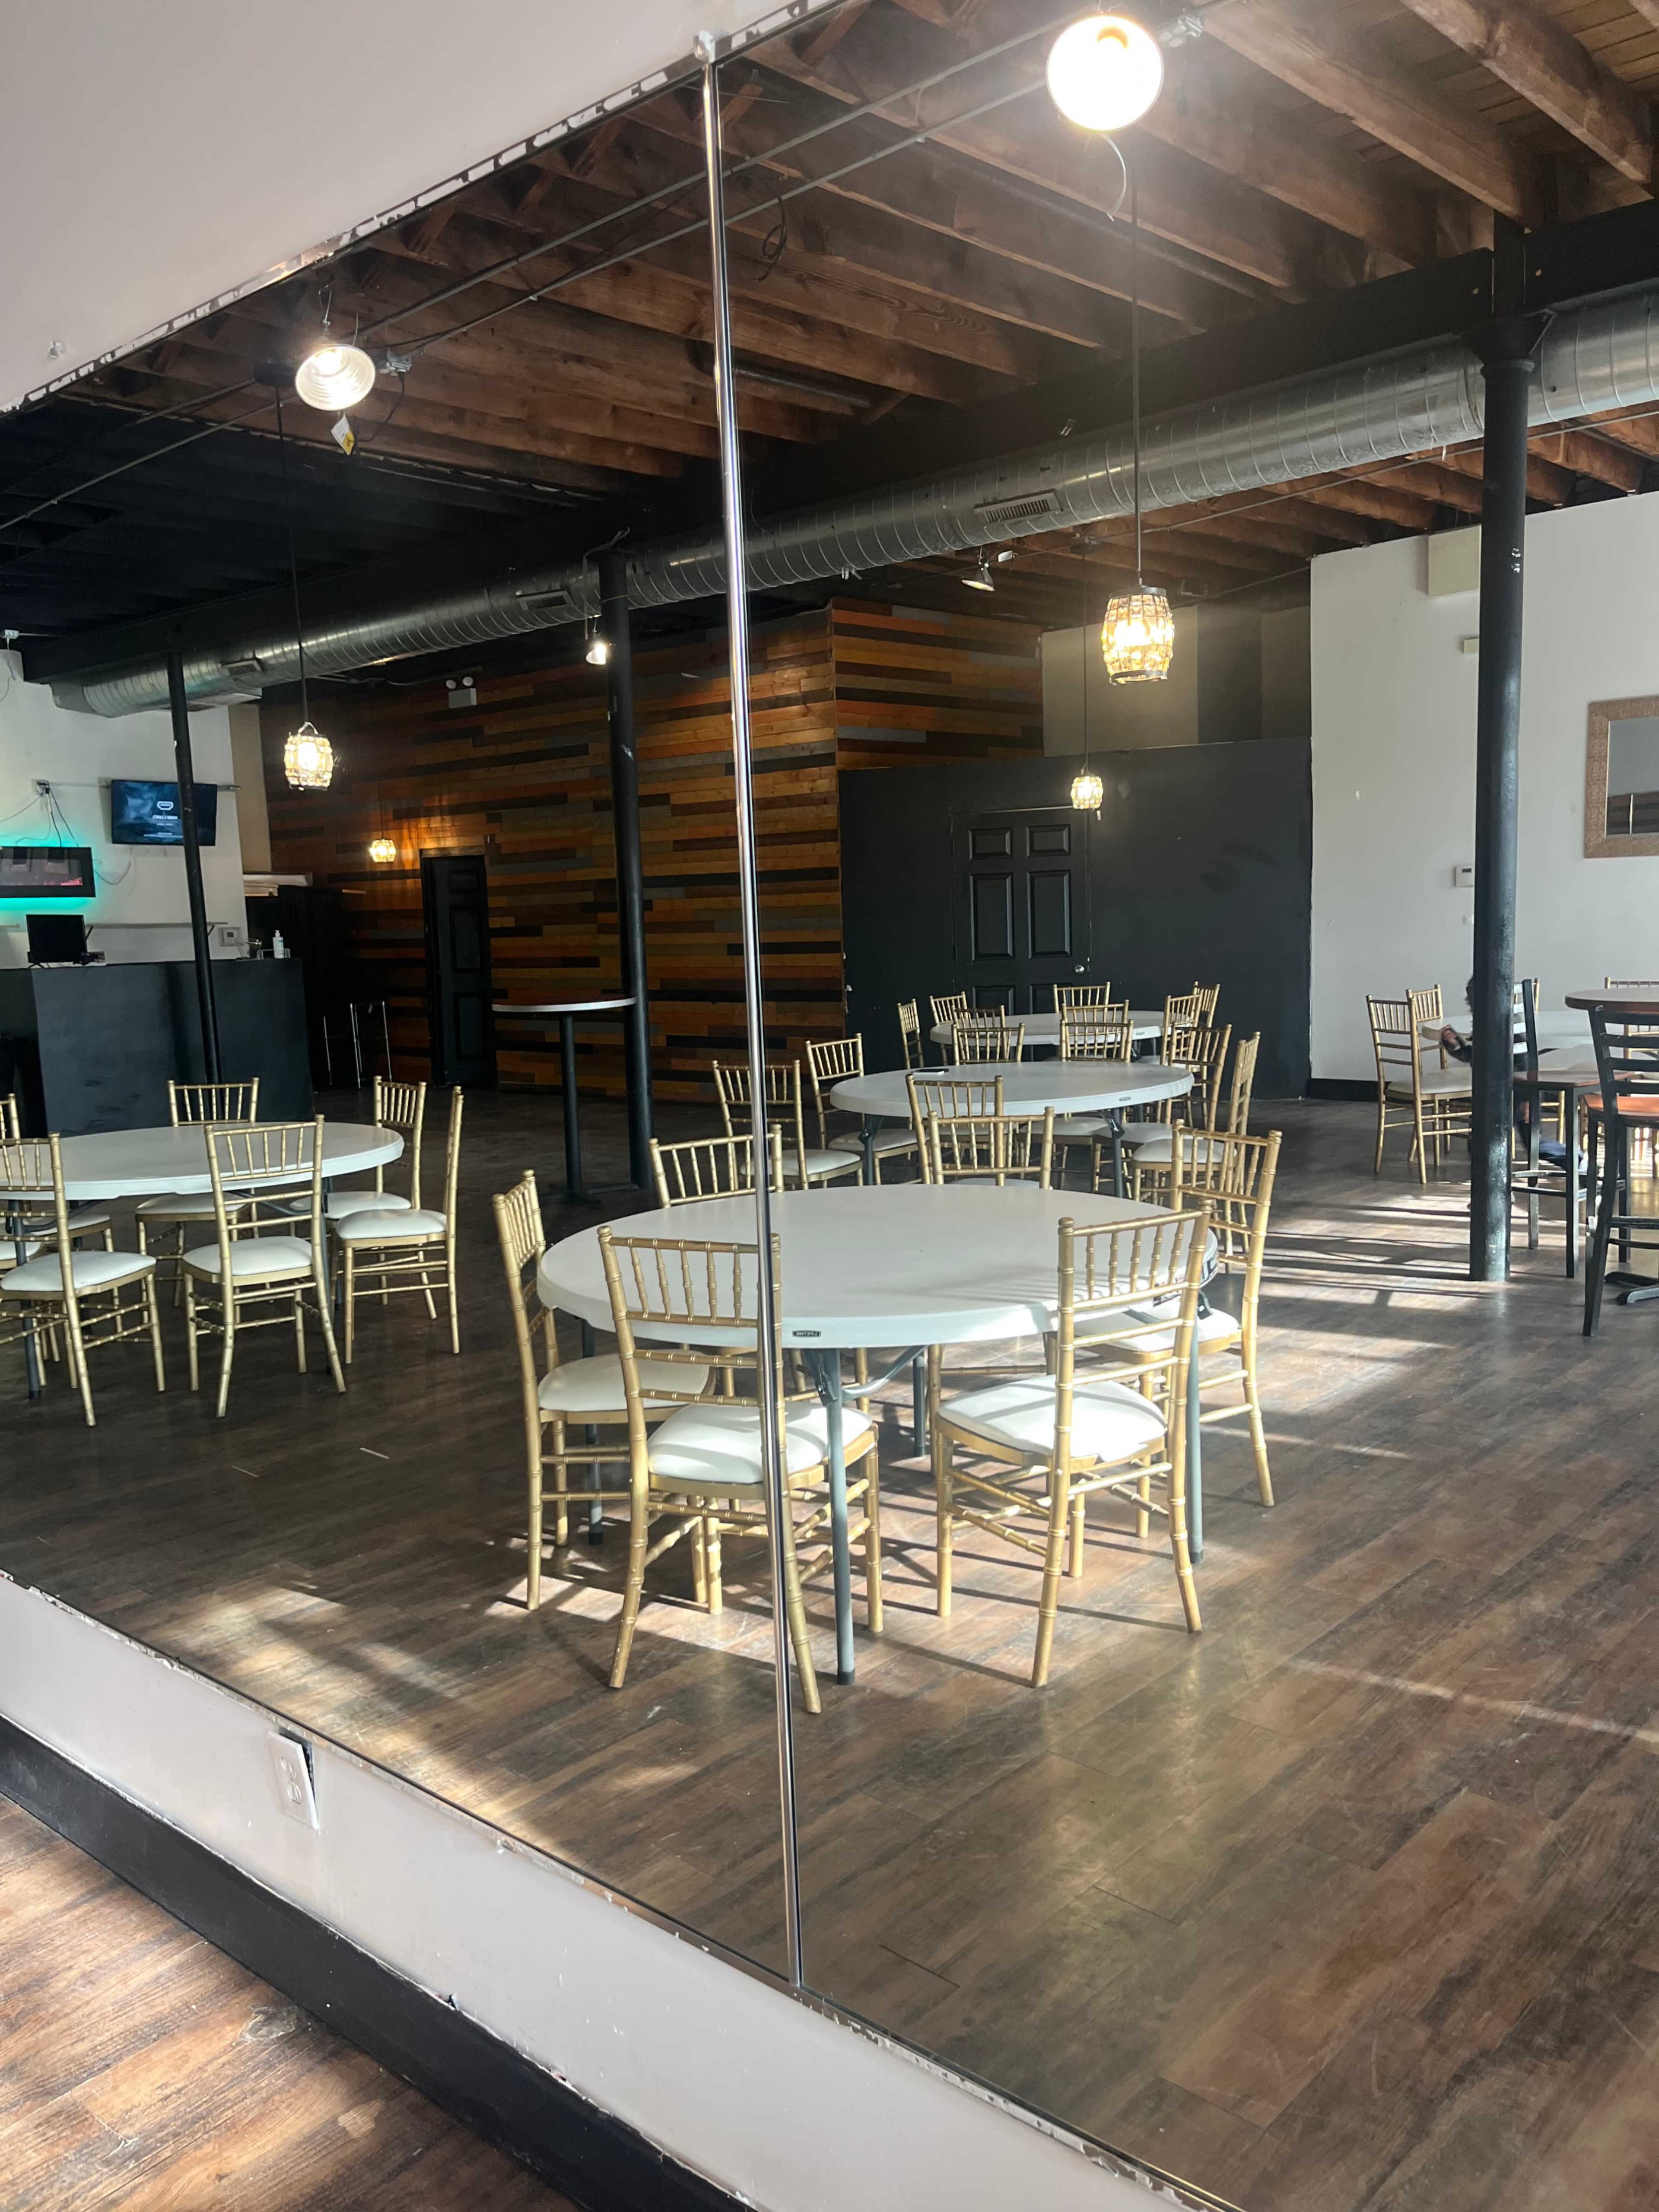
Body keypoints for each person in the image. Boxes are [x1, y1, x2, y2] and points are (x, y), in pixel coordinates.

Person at [1438, 978, 1571, 1169]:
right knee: (1485, 1142)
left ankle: (1576, 1161)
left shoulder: (1510, 1026)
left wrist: (1528, 1098)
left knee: (1535, 1145)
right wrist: (1455, 1044)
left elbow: (1525, 1063)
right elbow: (1477, 1057)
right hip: (1497, 1091)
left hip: (1520, 1089)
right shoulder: (1486, 1024)